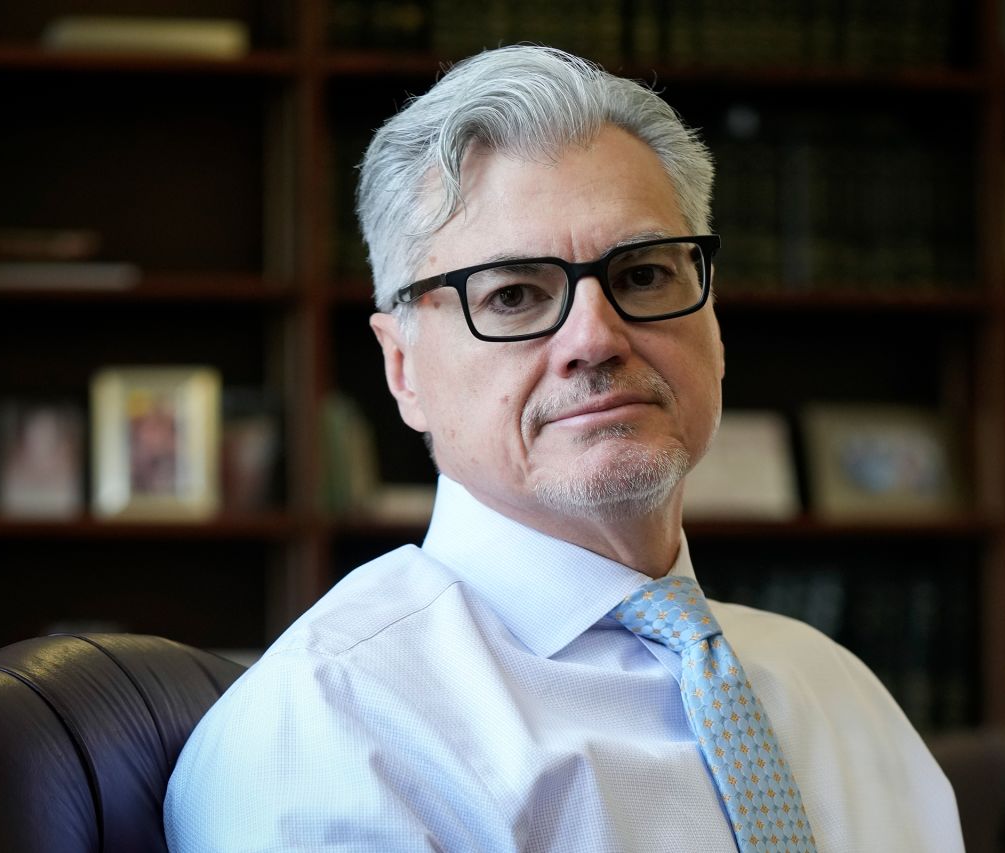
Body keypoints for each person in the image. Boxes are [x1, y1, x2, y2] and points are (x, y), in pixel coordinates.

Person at [165, 45, 963, 852]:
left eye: (645, 275)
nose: (595, 337)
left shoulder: (837, 689)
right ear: (402, 369)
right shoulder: (335, 727)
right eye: (514, 295)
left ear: (714, 320)